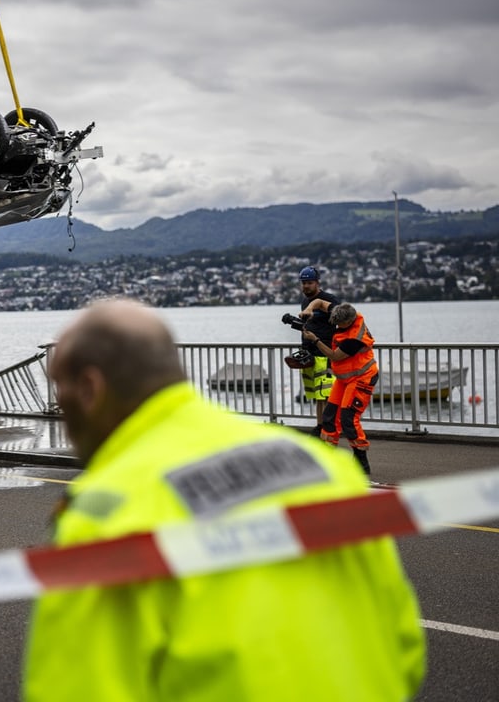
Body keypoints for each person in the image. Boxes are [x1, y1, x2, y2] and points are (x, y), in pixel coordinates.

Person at [23, 299, 424, 702]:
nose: (61, 409)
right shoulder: (325, 469)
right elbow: (404, 646)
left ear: (91, 388)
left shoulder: (105, 514)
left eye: (62, 392)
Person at [302, 301, 378, 474]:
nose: (337, 326)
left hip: (361, 378)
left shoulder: (354, 338)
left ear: (348, 322)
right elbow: (321, 303)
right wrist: (309, 310)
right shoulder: (345, 314)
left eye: (339, 324)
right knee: (329, 417)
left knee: (348, 419)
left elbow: (334, 356)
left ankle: (361, 462)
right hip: (344, 379)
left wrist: (315, 340)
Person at [295, 266, 340, 435]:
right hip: (310, 354)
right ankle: (320, 426)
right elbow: (307, 324)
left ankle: (329, 428)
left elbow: (337, 314)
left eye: (309, 282)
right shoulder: (304, 301)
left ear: (317, 283)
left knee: (327, 394)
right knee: (317, 395)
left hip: (325, 351)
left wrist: (316, 314)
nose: (306, 286)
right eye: (303, 283)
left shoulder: (329, 299)